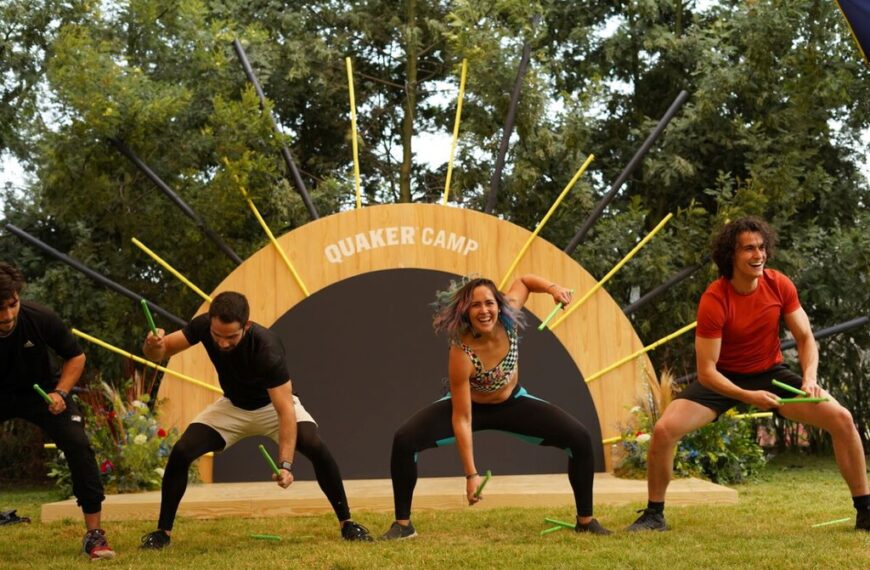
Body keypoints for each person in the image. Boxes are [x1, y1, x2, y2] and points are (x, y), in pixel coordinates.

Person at [627, 217, 870, 532]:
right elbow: (707, 372)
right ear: (731, 255)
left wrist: (809, 377)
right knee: (664, 430)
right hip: (722, 379)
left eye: (761, 247)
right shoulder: (715, 300)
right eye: (749, 249)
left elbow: (806, 338)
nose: (759, 255)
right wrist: (746, 397)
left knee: (842, 419)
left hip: (771, 374)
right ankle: (654, 515)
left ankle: (865, 512)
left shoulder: (779, 284)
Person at [380, 274, 610, 540]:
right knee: (404, 440)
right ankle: (403, 525)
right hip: (471, 408)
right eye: (476, 305)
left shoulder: (508, 316)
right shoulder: (462, 352)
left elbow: (524, 281)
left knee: (579, 438)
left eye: (489, 303)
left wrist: (553, 288)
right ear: (466, 311)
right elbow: (463, 418)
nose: (484, 310)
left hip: (511, 403)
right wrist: (471, 475)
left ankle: (586, 521)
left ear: (499, 305)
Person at [139, 291, 372, 548]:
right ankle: (163, 533)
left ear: (246, 326)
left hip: (271, 407)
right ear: (211, 324)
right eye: (217, 336)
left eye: (231, 337)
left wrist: (285, 465)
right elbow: (161, 352)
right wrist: (153, 345)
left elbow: (285, 410)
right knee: (182, 451)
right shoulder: (204, 325)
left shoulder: (267, 347)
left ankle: (347, 523)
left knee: (315, 445)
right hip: (233, 406)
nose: (223, 343)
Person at [0, 262, 115, 560]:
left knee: (77, 442)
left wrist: (61, 392)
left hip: (42, 392)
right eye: (0, 309)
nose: (8, 315)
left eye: (12, 305)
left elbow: (76, 356)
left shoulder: (40, 317)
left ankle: (94, 535)